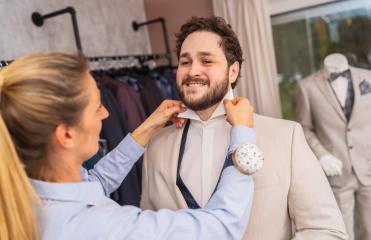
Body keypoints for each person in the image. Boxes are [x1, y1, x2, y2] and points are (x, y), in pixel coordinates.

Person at [0, 52, 257, 240]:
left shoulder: (27, 198)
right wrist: (243, 136)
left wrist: (146, 129)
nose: (106, 115)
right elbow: (223, 226)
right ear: (66, 135)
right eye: (98, 106)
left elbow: (94, 184)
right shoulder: (100, 228)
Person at [140, 16, 348, 239]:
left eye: (206, 61)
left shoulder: (286, 137)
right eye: (185, 62)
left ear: (233, 72)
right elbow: (147, 230)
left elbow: (326, 230)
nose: (193, 71)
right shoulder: (156, 146)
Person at [296, 53, 371, 239]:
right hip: (336, 172)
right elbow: (304, 128)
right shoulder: (307, 87)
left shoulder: (367, 77)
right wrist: (322, 155)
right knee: (342, 232)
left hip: (368, 165)